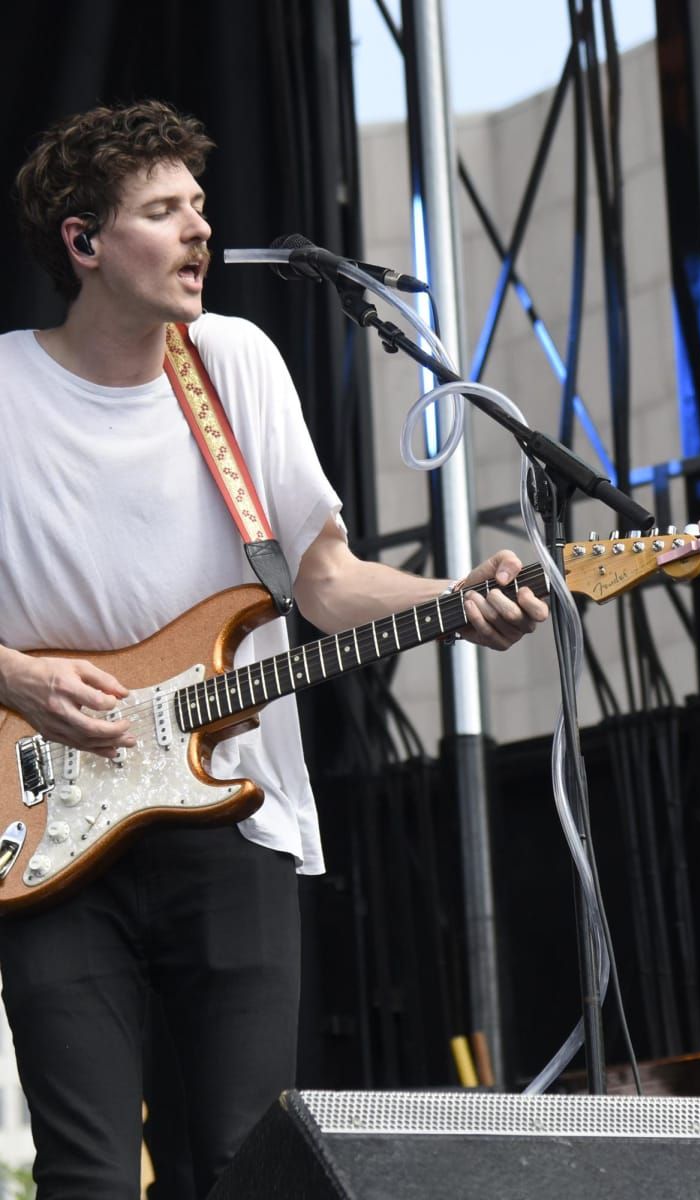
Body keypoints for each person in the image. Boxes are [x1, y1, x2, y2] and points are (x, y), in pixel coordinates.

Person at [0, 100, 548, 1198]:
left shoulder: (233, 364)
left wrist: (456, 595)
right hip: (44, 820)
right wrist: (15, 675)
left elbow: (324, 580)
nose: (199, 230)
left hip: (235, 807)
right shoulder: (7, 389)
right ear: (83, 241)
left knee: (245, 1163)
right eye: (163, 210)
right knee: (89, 1175)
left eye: (200, 206)